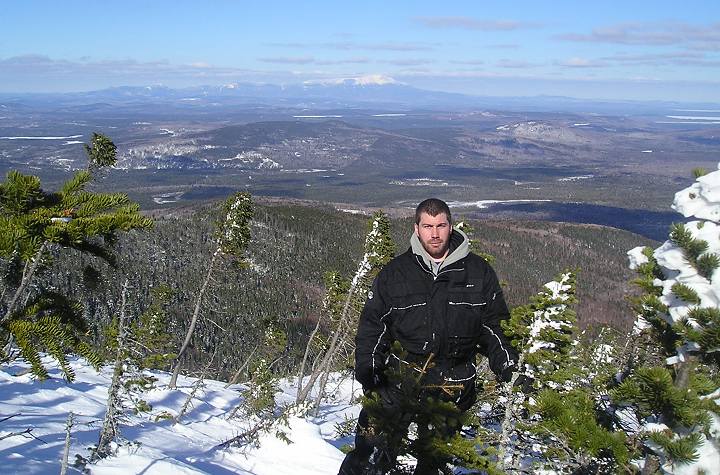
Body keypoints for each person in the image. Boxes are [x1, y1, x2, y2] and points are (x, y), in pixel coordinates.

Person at [338, 198, 517, 475]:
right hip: (399, 378)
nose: (435, 234)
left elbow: (494, 327)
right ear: (416, 228)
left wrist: (510, 369)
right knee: (367, 459)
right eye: (428, 226)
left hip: (453, 383)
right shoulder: (396, 273)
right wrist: (371, 376)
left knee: (434, 464)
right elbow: (373, 328)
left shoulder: (478, 273)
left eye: (441, 225)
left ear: (451, 226)